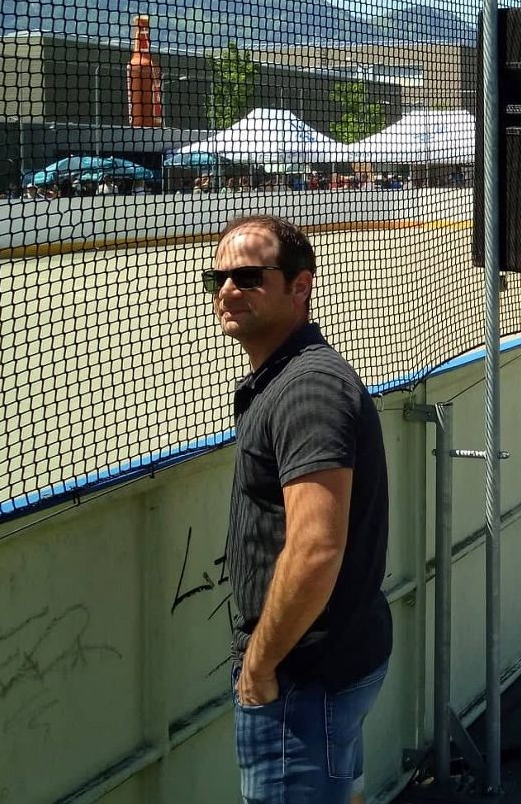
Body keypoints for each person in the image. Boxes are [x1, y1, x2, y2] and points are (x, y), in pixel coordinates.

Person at [209, 215, 391, 804]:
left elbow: (315, 549)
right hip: (327, 667)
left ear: (299, 285)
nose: (227, 290)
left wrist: (260, 667)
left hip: (301, 682)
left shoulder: (306, 390)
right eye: (218, 277)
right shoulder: (287, 378)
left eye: (248, 277)